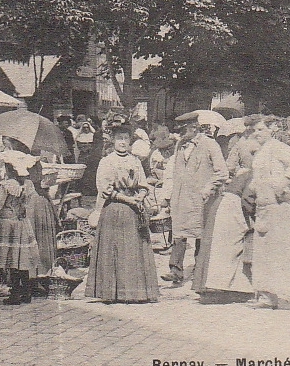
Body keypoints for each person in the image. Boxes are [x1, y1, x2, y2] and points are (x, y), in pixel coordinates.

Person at [85, 121, 159, 303]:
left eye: (126, 139)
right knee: (114, 251)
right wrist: (128, 199)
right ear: (113, 141)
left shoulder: (135, 161)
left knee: (132, 251)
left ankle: (134, 292)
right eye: (119, 139)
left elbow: (143, 184)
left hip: (134, 211)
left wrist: (140, 197)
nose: (123, 142)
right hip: (115, 209)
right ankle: (112, 292)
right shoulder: (107, 161)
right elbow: (105, 189)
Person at [248, 116, 290, 311]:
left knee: (285, 250)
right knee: (264, 252)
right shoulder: (261, 152)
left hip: (280, 206)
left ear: (272, 129)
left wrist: (282, 184)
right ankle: (267, 295)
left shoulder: (278, 147)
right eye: (254, 131)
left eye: (260, 130)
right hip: (265, 206)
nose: (256, 134)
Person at [163, 115, 228, 286]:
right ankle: (175, 271)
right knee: (178, 233)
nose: (180, 135)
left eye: (183, 131)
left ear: (194, 127)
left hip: (202, 200)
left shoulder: (210, 145)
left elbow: (222, 172)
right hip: (182, 197)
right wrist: (169, 195)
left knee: (201, 235)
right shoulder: (179, 145)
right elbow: (175, 172)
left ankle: (200, 272)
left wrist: (208, 188)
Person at [0, 150, 44, 305]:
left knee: (11, 259)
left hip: (8, 223)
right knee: (20, 258)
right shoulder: (28, 185)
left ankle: (15, 293)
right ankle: (26, 291)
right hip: (22, 223)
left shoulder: (7, 185)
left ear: (10, 169)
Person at [199, 170, 256, 302]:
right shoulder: (258, 175)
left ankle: (237, 287)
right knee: (228, 249)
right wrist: (256, 217)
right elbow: (248, 199)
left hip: (229, 204)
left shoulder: (250, 173)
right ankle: (217, 286)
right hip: (232, 207)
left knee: (231, 249)